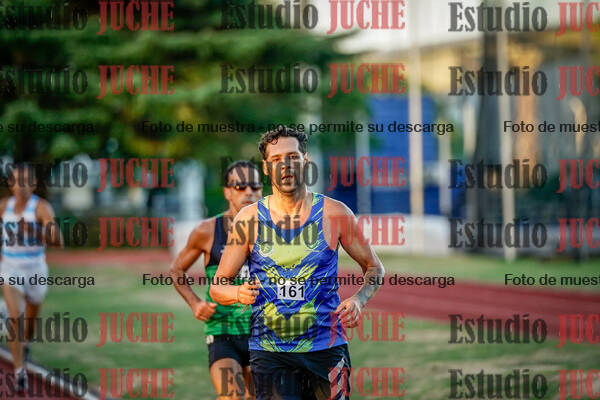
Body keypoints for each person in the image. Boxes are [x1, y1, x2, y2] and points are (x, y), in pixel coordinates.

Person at [210, 126, 386, 399]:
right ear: (266, 167)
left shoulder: (335, 214)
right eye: (276, 159)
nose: (286, 165)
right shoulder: (249, 219)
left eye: (292, 156)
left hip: (327, 347)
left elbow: (374, 268)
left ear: (305, 160)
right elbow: (217, 286)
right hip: (270, 352)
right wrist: (237, 293)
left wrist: (359, 300)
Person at [170, 160, 263, 400]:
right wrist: (195, 303)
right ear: (227, 192)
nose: (249, 192)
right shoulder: (207, 230)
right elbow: (177, 270)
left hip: (263, 332)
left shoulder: (274, 230)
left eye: (255, 186)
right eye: (240, 186)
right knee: (233, 395)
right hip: (222, 331)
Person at [0, 163, 63, 392]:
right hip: (10, 269)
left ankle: (25, 344)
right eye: (17, 181)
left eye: (26, 181)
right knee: (16, 316)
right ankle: (19, 372)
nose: (21, 186)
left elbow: (59, 241)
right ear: (11, 183)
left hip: (35, 270)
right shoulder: (4, 206)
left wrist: (37, 230)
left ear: (34, 184)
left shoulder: (41, 208)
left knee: (30, 318)